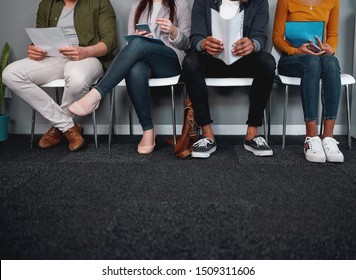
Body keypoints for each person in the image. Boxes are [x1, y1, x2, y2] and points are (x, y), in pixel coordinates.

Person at [68, 0, 191, 155]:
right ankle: (148, 130)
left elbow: (187, 44)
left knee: (139, 44)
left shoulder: (180, 4)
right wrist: (136, 36)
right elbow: (130, 44)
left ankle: (96, 93)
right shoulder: (138, 4)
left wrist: (174, 31)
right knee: (135, 69)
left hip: (169, 61)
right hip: (143, 59)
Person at [2, 0, 117, 152]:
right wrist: (33, 49)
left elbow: (110, 41)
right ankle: (67, 125)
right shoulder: (46, 4)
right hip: (53, 58)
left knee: (77, 78)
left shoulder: (100, 2)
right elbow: (38, 39)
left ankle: (59, 127)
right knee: (10, 74)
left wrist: (86, 51)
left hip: (88, 57)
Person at [182, 0, 276, 159]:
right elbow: (195, 38)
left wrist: (252, 45)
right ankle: (207, 135)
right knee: (189, 62)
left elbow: (260, 36)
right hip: (212, 60)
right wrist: (203, 44)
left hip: (243, 60)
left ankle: (252, 135)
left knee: (268, 62)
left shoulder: (259, 1)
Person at [273, 0, 343, 163]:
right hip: (292, 58)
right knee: (311, 62)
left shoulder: (333, 1)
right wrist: (295, 50)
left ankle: (328, 138)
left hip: (319, 57)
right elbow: (277, 37)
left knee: (331, 61)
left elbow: (332, 34)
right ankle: (311, 137)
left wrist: (330, 49)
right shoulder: (285, 1)